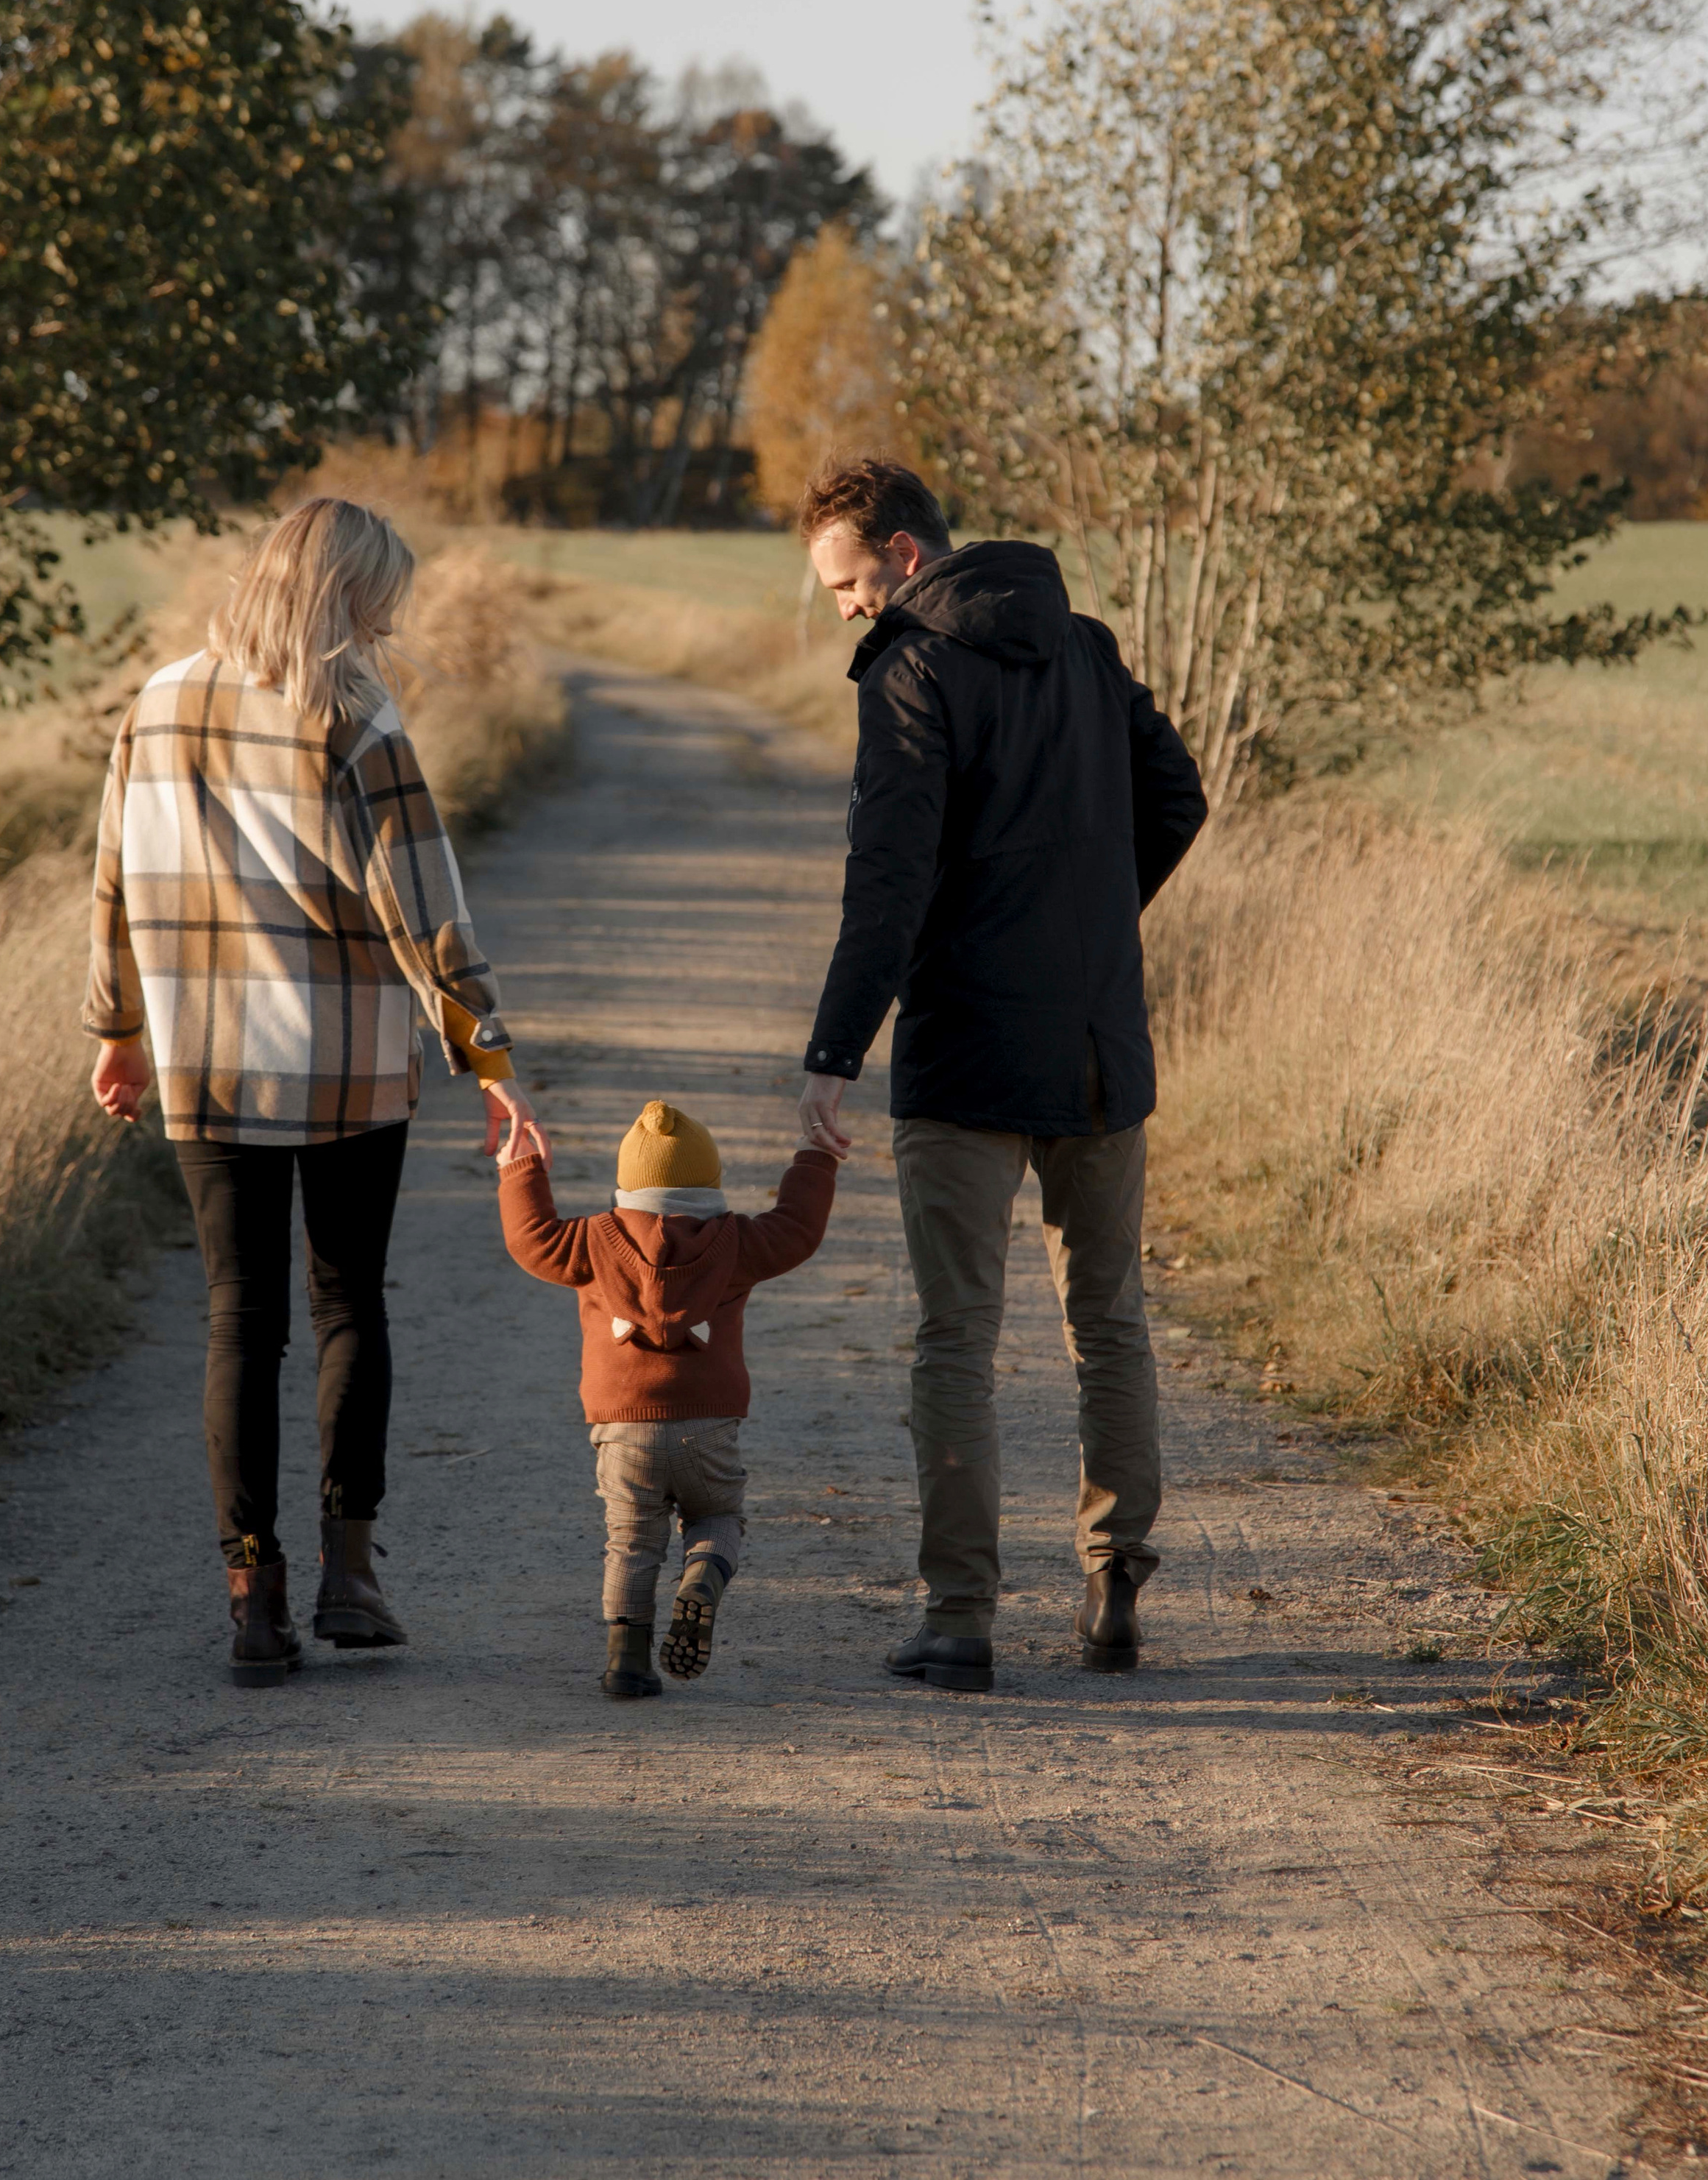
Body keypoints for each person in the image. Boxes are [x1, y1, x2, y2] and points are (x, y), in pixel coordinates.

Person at [83, 497, 546, 1687]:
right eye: (378, 596)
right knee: (347, 1301)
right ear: (344, 594)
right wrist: (486, 1051)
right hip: (345, 1058)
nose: (387, 617)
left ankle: (252, 1597)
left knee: (241, 1314)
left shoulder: (159, 699)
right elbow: (422, 903)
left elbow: (113, 876)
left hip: (205, 1056)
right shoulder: (353, 713)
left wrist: (122, 1028)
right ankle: (351, 1574)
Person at [795, 459, 1208, 1693]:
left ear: (907, 557)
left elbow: (891, 880)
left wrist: (833, 1052)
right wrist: (1085, 920)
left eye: (850, 582)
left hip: (966, 1047)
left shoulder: (912, 669)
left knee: (956, 1338)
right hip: (1095, 1041)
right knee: (1110, 1322)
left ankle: (961, 1617)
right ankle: (1113, 1587)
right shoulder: (1083, 646)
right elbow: (1177, 795)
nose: (845, 610)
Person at [496, 1097, 837, 1699]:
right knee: (718, 1515)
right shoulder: (738, 1240)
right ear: (709, 1181)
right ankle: (703, 1573)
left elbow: (532, 1240)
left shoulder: (593, 1239)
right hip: (709, 1421)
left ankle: (626, 1662)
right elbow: (798, 1229)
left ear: (628, 1185)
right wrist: (815, 1156)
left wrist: (522, 1168)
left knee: (631, 1540)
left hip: (624, 1425)